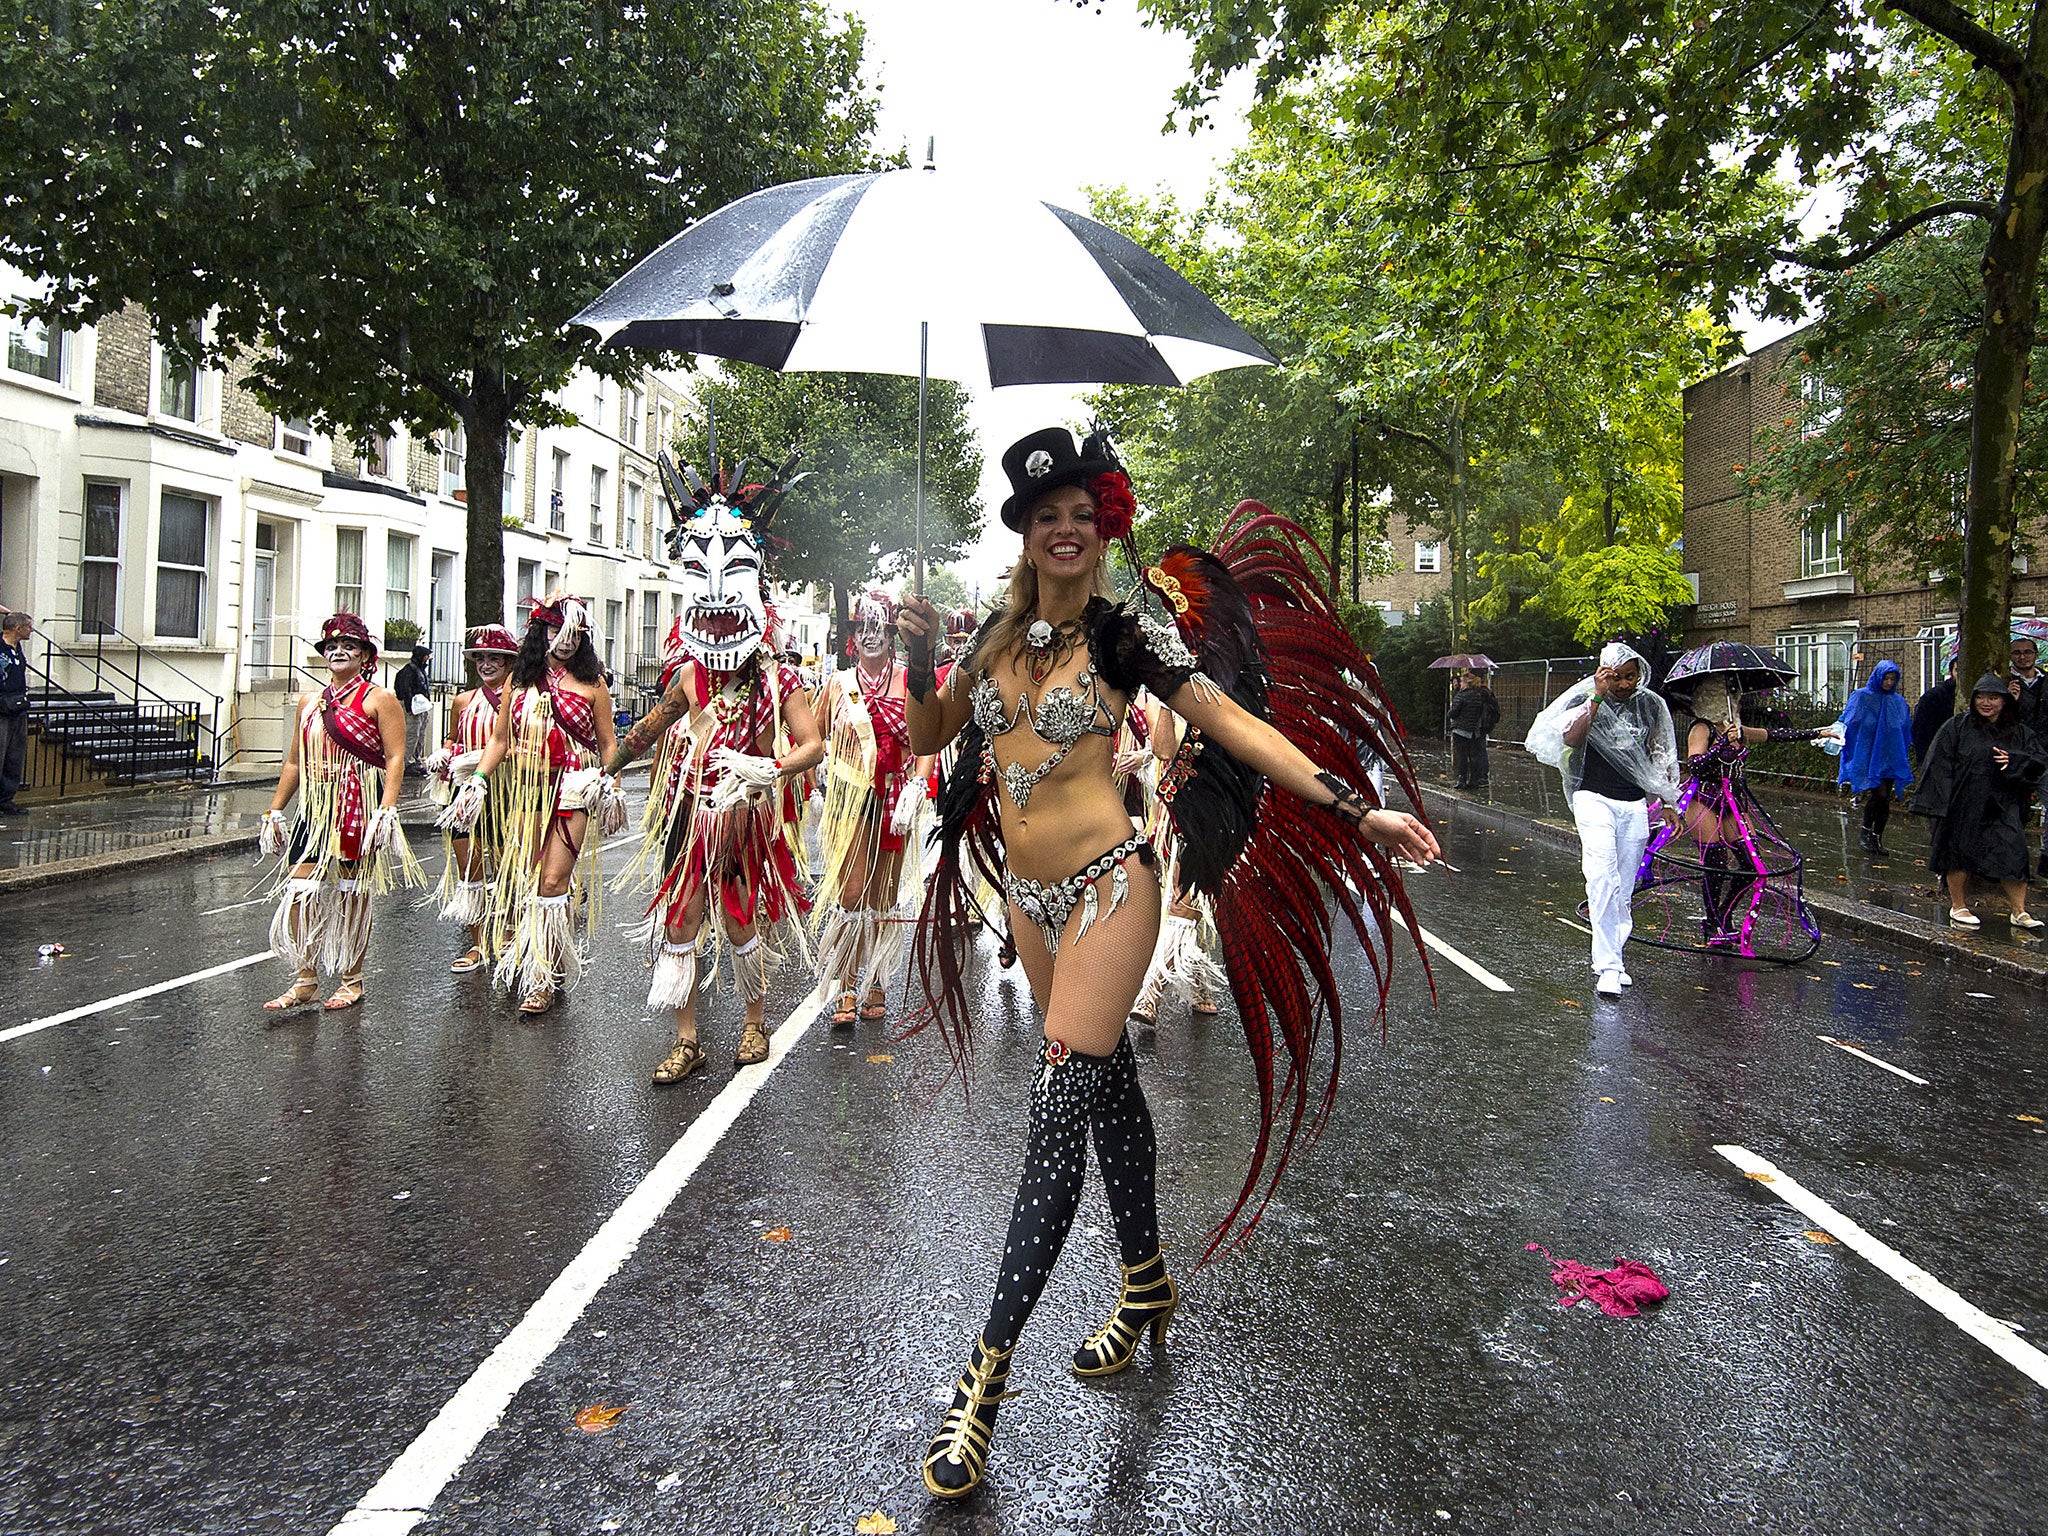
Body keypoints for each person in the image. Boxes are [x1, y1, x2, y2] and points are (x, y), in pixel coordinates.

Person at [897, 425, 1438, 1500]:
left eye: (1078, 518)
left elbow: (1227, 719)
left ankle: (980, 1384)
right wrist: (917, 653)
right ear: (1023, 533)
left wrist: (1350, 805)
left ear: (1099, 531)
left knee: (1055, 1110)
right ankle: (1145, 1283)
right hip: (1031, 904)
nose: (1063, 532)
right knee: (1103, 1098)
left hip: (1109, 888)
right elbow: (925, 734)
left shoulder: (1123, 632)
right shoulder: (992, 640)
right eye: (1044, 518)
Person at [606, 458, 824, 1081]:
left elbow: (812, 746)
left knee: (739, 918)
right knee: (679, 919)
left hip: (745, 820)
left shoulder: (781, 678)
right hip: (690, 814)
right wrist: (608, 770)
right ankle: (687, 1038)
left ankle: (754, 1023)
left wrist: (767, 770)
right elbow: (648, 728)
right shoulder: (689, 676)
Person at [445, 596, 625, 1014]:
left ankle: (542, 978)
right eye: (555, 631)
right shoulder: (519, 682)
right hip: (526, 791)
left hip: (574, 788)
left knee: (551, 883)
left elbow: (607, 743)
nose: (564, 641)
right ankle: (546, 959)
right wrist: (477, 780)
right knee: (529, 883)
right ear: (539, 633)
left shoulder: (593, 684)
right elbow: (500, 741)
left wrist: (612, 785)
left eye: (574, 634)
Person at [258, 613, 424, 1012]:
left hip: (357, 802)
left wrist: (387, 807)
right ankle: (305, 977)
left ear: (365, 654)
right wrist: (275, 811)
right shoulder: (309, 704)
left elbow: (395, 755)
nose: (338, 652)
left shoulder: (379, 699)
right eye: (331, 647)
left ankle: (352, 978)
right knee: (300, 888)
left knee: (351, 892)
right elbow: (295, 763)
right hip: (314, 809)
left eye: (348, 646)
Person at [1526, 642, 1680, 998]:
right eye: (1617, 677)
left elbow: (1661, 755)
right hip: (1593, 798)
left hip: (1633, 803)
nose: (1625, 684)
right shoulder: (1589, 699)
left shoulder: (1651, 706)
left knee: (1623, 888)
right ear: (1603, 674)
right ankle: (1609, 967)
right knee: (1601, 877)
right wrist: (1596, 697)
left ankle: (1614, 956)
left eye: (1631, 676)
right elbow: (1571, 737)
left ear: (1640, 673)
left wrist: (1669, 800)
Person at [812, 587, 932, 1028]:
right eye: (863, 627)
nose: (871, 636)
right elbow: (813, 734)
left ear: (891, 635)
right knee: (850, 891)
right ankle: (844, 982)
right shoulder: (839, 684)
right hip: (851, 797)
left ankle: (877, 980)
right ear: (853, 634)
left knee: (883, 894)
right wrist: (821, 769)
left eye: (879, 628)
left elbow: (926, 739)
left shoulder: (909, 680)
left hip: (894, 797)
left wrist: (919, 783)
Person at [1911, 673, 2047, 930]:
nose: (1987, 703)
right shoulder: (1957, 727)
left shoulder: (2018, 731)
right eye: (1981, 697)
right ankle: (1958, 905)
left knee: (2014, 853)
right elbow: (1938, 763)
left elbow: (2037, 760)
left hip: (2002, 803)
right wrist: (1938, 803)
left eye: (1993, 698)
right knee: (1958, 853)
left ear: (2004, 701)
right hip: (1964, 801)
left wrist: (2015, 761)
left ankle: (2019, 910)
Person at [424, 626, 521, 973]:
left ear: (509, 662)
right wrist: (445, 753)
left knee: (509, 866)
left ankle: (509, 935)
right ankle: (478, 943)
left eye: (494, 657)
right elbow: (453, 738)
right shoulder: (462, 701)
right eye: (480, 658)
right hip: (466, 794)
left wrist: (492, 758)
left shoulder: (522, 699)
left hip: (506, 790)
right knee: (471, 869)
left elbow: (527, 744)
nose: (486, 664)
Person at [1837, 660, 1915, 853]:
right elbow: (1850, 720)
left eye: (1892, 679)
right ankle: (1866, 832)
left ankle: (1877, 837)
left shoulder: (1897, 701)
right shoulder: (1863, 697)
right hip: (1869, 754)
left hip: (1889, 755)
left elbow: (1904, 727)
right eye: (1886, 678)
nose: (1888, 682)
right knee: (1879, 794)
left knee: (1885, 797)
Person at [1447, 667, 1501, 790]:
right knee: (1474, 755)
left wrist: (1457, 694)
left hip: (1462, 730)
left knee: (1462, 756)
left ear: (1466, 682)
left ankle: (1462, 780)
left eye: (1461, 681)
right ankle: (1474, 780)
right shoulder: (1480, 694)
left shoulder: (1463, 695)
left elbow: (1452, 713)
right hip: (1475, 730)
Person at [0, 612, 31, 816]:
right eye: (28, 626)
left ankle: (5, 799)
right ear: (17, 628)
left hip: (18, 709)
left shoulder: (17, 649)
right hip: (2, 709)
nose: (31, 630)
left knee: (14, 757)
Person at [1912, 656, 1958, 768]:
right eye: (1957, 670)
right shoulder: (1935, 696)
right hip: (1938, 758)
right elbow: (1920, 730)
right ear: (1951, 672)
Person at [394, 643, 434, 771]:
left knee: (420, 735)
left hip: (421, 707)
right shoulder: (408, 671)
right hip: (412, 708)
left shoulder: (420, 670)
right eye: (426, 656)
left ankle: (416, 759)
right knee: (412, 734)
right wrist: (409, 707)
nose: (427, 659)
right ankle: (407, 762)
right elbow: (405, 690)